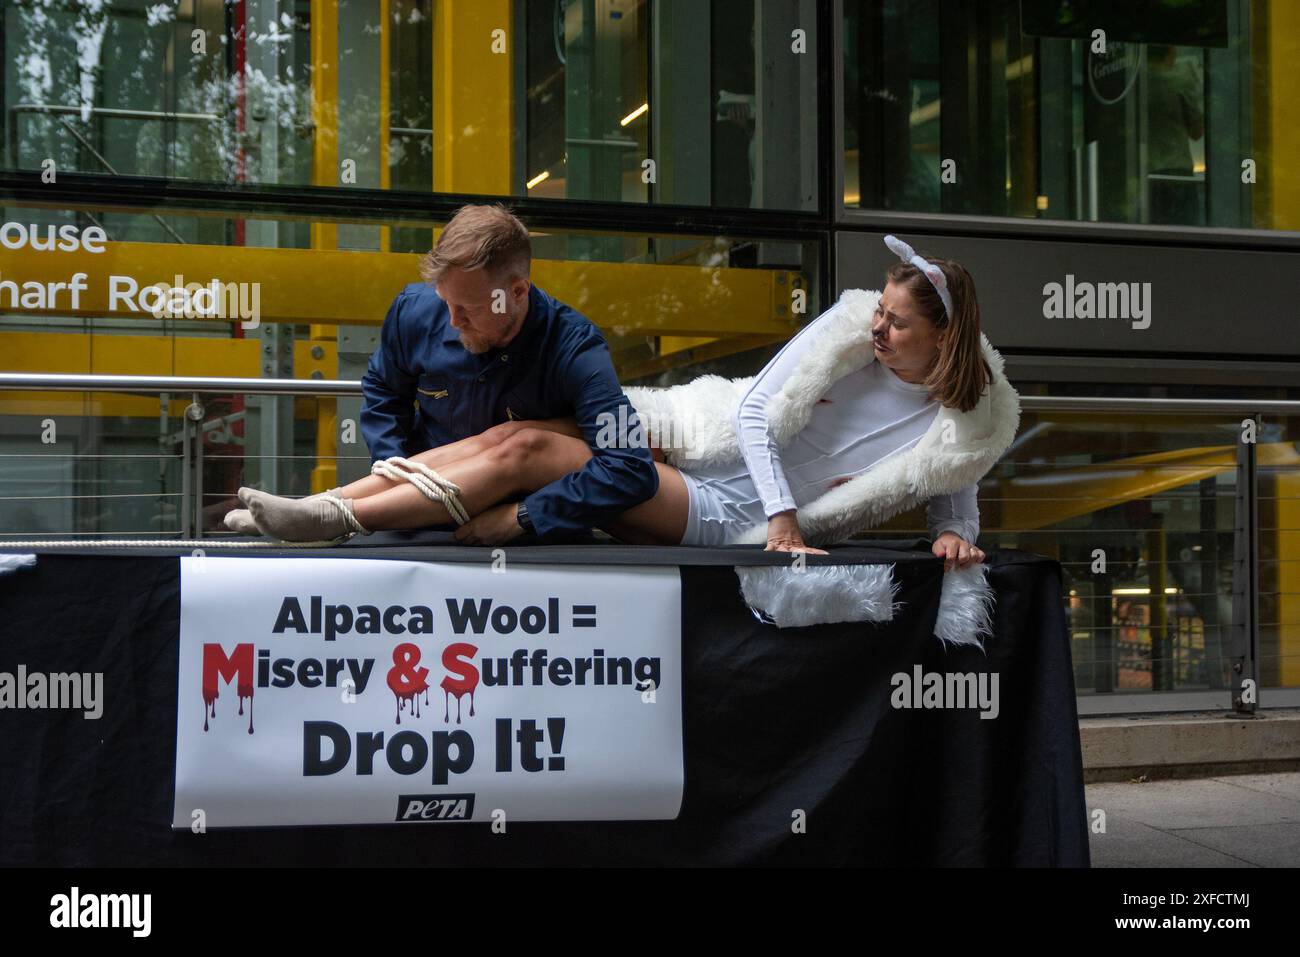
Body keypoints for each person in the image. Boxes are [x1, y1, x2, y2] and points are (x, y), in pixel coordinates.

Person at [227, 235, 1020, 573]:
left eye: (897, 322)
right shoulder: (848, 334)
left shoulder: (965, 417)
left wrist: (956, 531)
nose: (877, 327)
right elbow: (754, 412)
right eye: (878, 311)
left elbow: (949, 464)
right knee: (527, 429)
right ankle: (324, 503)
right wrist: (790, 515)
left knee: (527, 454)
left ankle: (337, 521)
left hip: (719, 507)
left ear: (944, 340)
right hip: (695, 437)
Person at [223, 203, 658, 543]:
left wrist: (526, 517)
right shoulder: (416, 311)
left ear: (517, 292)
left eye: (467, 308)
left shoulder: (577, 348)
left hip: (527, 532)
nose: (451, 321)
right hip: (417, 519)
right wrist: (390, 473)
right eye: (444, 301)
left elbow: (629, 467)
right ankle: (321, 512)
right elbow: (382, 390)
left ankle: (323, 513)